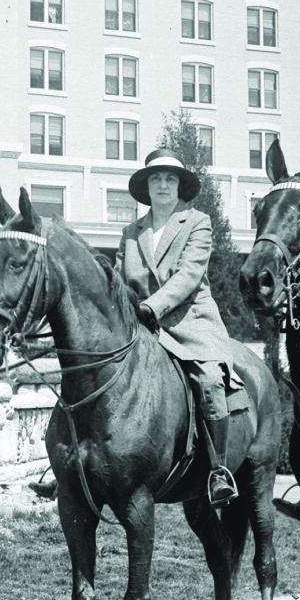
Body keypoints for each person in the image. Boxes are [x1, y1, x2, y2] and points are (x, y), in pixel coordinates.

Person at [117, 150, 239, 507]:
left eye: (170, 178)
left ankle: (218, 471)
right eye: (156, 178)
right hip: (140, 326)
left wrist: (150, 307)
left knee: (210, 383)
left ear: (180, 186)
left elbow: (188, 276)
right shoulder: (131, 231)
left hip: (189, 324)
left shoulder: (197, 222)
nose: (163, 185)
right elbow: (118, 278)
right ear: (147, 186)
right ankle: (78, 468)